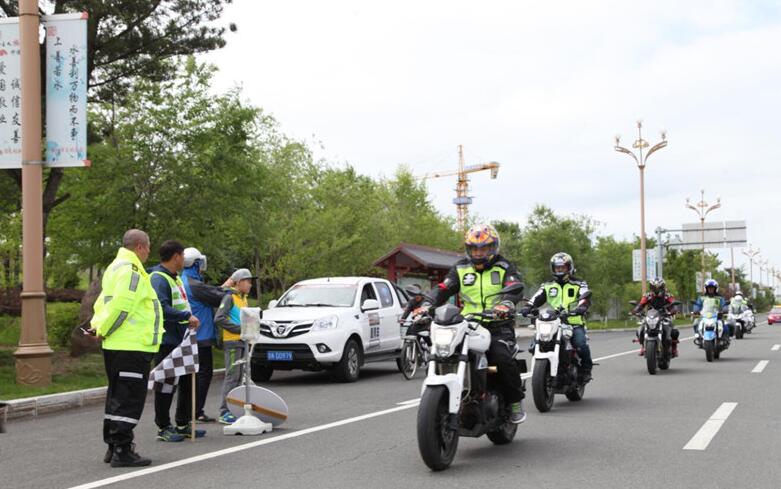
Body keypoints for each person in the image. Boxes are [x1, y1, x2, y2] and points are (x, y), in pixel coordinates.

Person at [421, 223, 527, 424]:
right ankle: (442, 402)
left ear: (493, 248)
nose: (479, 253)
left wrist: (505, 303)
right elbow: (444, 288)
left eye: (484, 248)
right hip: (467, 324)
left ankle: (514, 401)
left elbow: (514, 286)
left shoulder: (504, 267)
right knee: (441, 354)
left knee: (501, 357)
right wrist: (427, 304)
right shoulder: (460, 268)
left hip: (497, 324)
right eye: (475, 248)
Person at [91, 229, 161, 467]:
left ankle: (113, 445)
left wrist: (97, 326)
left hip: (117, 345)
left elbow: (102, 303)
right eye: (148, 247)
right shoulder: (131, 271)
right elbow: (122, 307)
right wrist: (105, 329)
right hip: (131, 345)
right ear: (140, 246)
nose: (149, 252)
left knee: (117, 395)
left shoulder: (114, 268)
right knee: (129, 397)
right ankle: (123, 449)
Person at [149, 240, 203, 441]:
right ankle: (163, 426)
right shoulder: (158, 278)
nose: (184, 260)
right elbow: (160, 308)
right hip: (167, 340)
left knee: (188, 380)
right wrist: (185, 316)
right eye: (183, 256)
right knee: (166, 383)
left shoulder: (175, 278)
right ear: (177, 256)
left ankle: (183, 422)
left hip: (183, 340)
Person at [522, 252, 593, 383]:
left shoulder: (579, 283)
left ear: (569, 268)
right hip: (553, 322)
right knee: (535, 344)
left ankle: (586, 370)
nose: (560, 270)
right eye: (557, 268)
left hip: (573, 321)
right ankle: (544, 371)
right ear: (553, 268)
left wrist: (582, 307)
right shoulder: (547, 285)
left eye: (563, 267)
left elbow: (585, 297)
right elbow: (536, 298)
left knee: (580, 344)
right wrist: (528, 307)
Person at [181, 247, 231, 423]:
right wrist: (231, 288)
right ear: (196, 263)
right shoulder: (194, 284)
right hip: (200, 336)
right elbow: (217, 296)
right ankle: (196, 411)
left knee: (192, 375)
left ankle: (191, 411)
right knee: (203, 374)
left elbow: (210, 291)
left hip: (190, 335)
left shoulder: (185, 280)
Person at [215, 268, 256, 424]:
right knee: (232, 377)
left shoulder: (243, 298)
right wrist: (240, 330)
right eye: (248, 281)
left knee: (239, 377)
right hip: (232, 342)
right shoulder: (230, 297)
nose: (250, 285)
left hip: (243, 342)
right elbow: (219, 318)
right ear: (239, 282)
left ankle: (233, 409)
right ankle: (224, 412)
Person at [631, 277, 680, 357]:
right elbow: (641, 305)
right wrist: (635, 311)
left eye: (659, 288)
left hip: (664, 315)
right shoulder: (648, 295)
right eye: (654, 288)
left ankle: (674, 348)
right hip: (651, 316)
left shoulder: (667, 295)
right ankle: (643, 346)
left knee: (674, 332)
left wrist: (674, 310)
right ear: (651, 288)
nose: (656, 290)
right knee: (640, 329)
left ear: (663, 287)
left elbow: (673, 303)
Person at [692, 279, 728, 346]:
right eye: (709, 288)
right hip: (704, 315)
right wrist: (696, 311)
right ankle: (698, 337)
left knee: (724, 325)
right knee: (696, 322)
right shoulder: (701, 298)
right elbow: (698, 305)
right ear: (706, 289)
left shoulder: (719, 298)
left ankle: (724, 339)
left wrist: (724, 310)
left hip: (717, 316)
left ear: (715, 289)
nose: (710, 289)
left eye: (712, 288)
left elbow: (724, 305)